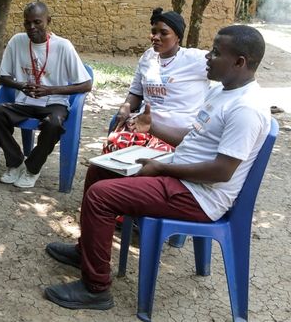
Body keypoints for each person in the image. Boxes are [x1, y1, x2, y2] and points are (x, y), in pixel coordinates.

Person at [43, 25, 271, 311]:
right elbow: (192, 138)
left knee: (101, 196)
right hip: (184, 177)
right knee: (99, 170)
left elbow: (221, 171)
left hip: (199, 196)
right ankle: (85, 251)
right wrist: (154, 128)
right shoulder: (222, 92)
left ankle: (96, 288)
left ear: (240, 61)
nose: (208, 58)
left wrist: (162, 168)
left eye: (216, 52)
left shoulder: (246, 108)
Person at [0, 1, 92, 188]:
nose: (32, 27)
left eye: (37, 22)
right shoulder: (17, 41)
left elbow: (86, 84)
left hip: (54, 103)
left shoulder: (63, 46)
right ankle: (15, 162)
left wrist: (50, 90)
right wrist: (21, 85)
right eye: (27, 23)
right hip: (25, 102)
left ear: (48, 21)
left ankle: (32, 168)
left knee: (54, 124)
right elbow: (3, 77)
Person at [104, 8, 209, 154]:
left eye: (164, 33)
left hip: (176, 134)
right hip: (141, 127)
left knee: (142, 161)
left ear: (178, 37)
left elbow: (227, 67)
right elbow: (136, 93)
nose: (156, 37)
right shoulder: (148, 57)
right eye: (154, 32)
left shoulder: (195, 59)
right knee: (113, 148)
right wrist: (126, 105)